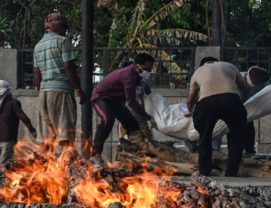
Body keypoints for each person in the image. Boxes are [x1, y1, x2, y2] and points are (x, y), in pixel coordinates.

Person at [186, 56, 250, 177]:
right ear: (217, 61)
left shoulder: (198, 72)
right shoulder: (229, 65)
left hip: (206, 103)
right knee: (237, 136)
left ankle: (204, 172)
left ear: (202, 65)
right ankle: (231, 173)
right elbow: (245, 89)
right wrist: (240, 103)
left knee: (204, 138)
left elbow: (190, 99)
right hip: (231, 100)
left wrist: (190, 111)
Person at [33, 12, 86, 155]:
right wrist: (78, 89)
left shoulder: (38, 46)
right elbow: (68, 66)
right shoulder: (63, 41)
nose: (65, 31)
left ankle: (41, 169)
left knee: (47, 138)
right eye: (64, 27)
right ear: (60, 27)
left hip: (44, 92)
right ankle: (66, 167)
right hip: (61, 91)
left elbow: (36, 73)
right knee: (65, 135)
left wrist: (40, 93)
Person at [90, 53, 157, 165]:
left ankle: (136, 151)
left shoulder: (137, 76)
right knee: (107, 121)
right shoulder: (128, 75)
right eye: (147, 68)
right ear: (138, 66)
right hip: (102, 98)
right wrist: (148, 117)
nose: (149, 71)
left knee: (132, 124)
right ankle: (95, 155)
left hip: (116, 102)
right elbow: (131, 102)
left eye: (151, 68)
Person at [0, 80, 37, 163]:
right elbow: (23, 117)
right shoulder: (12, 102)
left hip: (7, 139)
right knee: (4, 166)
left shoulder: (13, 103)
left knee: (4, 166)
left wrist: (32, 130)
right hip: (6, 139)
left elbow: (23, 117)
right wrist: (32, 130)